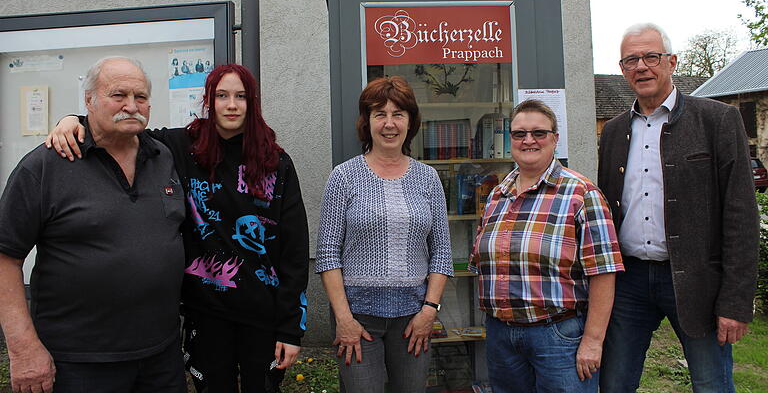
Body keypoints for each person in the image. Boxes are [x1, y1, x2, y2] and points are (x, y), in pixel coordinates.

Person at [47, 63, 309, 393]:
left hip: (264, 314)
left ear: (252, 103)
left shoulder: (276, 161)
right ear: (209, 101)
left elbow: (295, 249)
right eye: (222, 95)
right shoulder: (182, 146)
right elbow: (125, 127)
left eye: (241, 97)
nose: (231, 105)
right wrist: (72, 120)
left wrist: (290, 329)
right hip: (205, 313)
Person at [0, 57, 187, 393]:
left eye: (141, 97)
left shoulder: (163, 156)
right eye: (119, 95)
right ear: (88, 100)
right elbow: (5, 258)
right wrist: (23, 349)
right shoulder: (45, 166)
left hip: (161, 355)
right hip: (78, 362)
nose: (132, 106)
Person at [598, 23, 760, 393]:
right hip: (630, 281)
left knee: (711, 383)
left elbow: (740, 215)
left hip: (696, 281)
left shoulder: (717, 120)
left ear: (671, 61)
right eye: (631, 60)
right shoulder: (613, 131)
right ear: (622, 69)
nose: (641, 66)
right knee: (614, 383)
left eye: (651, 57)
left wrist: (735, 301)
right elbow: (607, 209)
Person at [468, 99, 624, 393]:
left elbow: (604, 272)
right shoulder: (497, 196)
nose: (528, 140)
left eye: (539, 133)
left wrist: (593, 340)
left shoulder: (581, 194)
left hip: (557, 336)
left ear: (555, 138)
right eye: (519, 133)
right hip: (501, 336)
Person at [315, 75, 453, 393]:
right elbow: (327, 253)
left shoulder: (428, 178)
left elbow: (442, 252)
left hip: (413, 320)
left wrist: (430, 310)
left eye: (398, 114)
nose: (389, 124)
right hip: (358, 320)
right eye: (380, 114)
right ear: (367, 121)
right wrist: (343, 319)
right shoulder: (344, 177)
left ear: (410, 122)